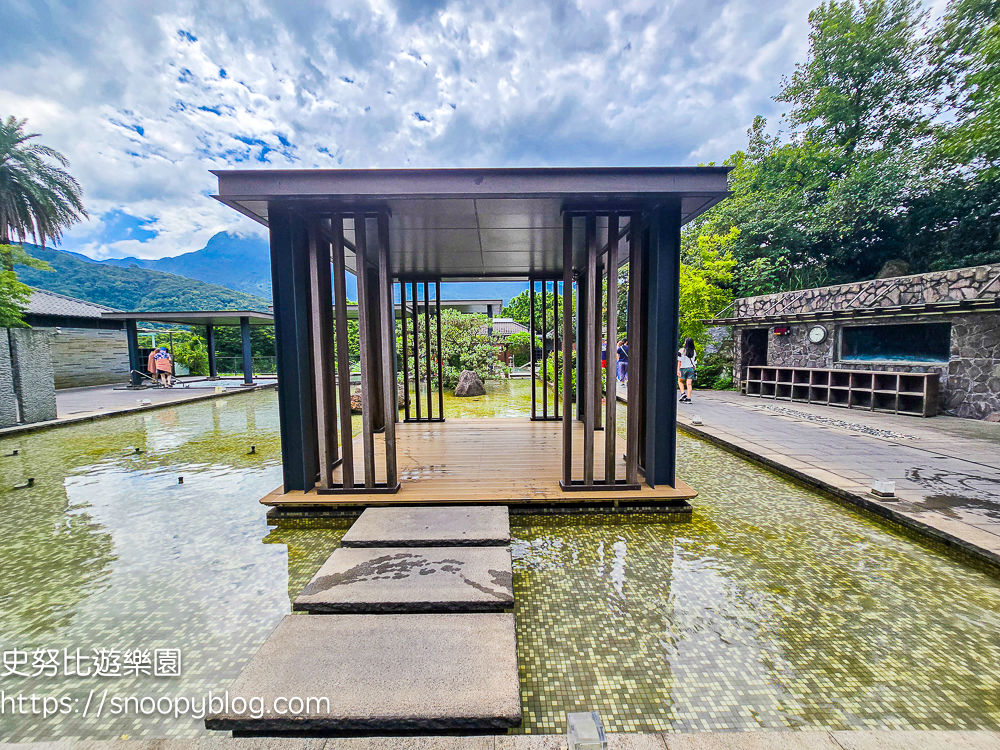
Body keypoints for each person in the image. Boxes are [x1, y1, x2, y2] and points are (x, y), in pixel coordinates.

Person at [677, 337, 697, 403]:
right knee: (689, 384)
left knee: (680, 381)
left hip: (683, 368)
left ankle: (683, 393)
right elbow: (695, 361)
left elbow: (679, 361)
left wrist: (678, 370)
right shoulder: (694, 351)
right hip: (691, 368)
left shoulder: (681, 350)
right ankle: (688, 398)